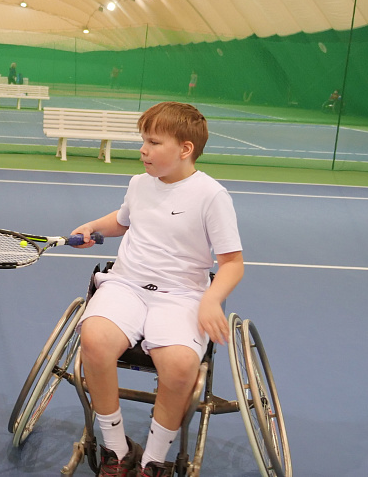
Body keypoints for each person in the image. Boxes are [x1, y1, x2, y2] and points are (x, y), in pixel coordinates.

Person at [69, 101, 243, 477]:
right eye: (143, 141)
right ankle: (116, 450)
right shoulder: (139, 184)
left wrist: (211, 300)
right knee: (94, 340)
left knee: (180, 366)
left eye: (153, 142)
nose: (143, 150)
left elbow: (232, 263)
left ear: (185, 149)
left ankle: (154, 460)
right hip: (127, 284)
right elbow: (122, 221)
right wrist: (91, 227)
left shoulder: (212, 196)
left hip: (181, 295)